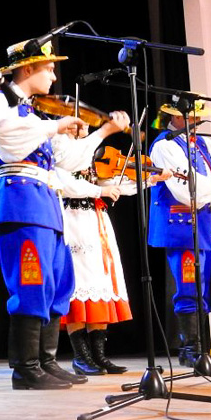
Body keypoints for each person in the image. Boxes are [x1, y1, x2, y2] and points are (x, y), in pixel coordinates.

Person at [0, 39, 129, 390]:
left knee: (58, 285)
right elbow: (6, 139)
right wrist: (55, 126)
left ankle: (46, 360)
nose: (54, 75)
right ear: (27, 68)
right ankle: (25, 368)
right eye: (48, 68)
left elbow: (70, 161)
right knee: (30, 284)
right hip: (20, 199)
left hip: (45, 203)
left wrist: (104, 131)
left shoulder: (32, 113)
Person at [148, 99, 211, 367]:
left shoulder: (199, 143)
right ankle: (190, 350)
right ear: (176, 117)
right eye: (194, 117)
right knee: (188, 286)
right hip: (179, 224)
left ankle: (200, 348)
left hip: (202, 223)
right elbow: (186, 185)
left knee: (203, 287)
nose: (198, 122)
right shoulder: (164, 146)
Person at [57, 144, 172, 375]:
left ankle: (98, 356)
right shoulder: (62, 153)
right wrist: (99, 191)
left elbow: (114, 186)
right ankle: (81, 357)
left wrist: (150, 181)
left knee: (101, 283)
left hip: (95, 220)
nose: (84, 131)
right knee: (77, 285)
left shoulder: (91, 157)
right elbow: (69, 186)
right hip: (71, 219)